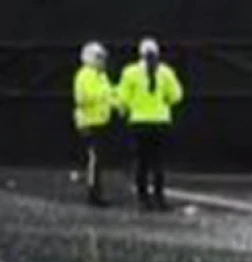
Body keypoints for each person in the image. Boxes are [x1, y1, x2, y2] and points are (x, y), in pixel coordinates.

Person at [116, 37, 184, 211]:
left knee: (141, 162)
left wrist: (127, 108)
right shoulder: (166, 72)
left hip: (139, 122)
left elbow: (122, 98)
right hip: (160, 122)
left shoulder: (130, 72)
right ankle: (159, 199)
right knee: (158, 162)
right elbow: (176, 96)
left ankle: (143, 199)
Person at [73, 41, 119, 207]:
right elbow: (82, 98)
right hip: (89, 122)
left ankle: (97, 190)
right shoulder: (84, 74)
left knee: (98, 158)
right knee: (94, 158)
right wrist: (104, 95)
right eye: (99, 57)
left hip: (100, 120)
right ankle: (93, 193)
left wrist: (118, 103)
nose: (102, 61)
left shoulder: (101, 75)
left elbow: (110, 94)